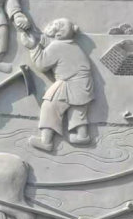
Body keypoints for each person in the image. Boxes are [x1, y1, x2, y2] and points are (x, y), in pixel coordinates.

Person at [20, 18, 94, 152]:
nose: (50, 25)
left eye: (55, 24)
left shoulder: (57, 46)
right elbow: (52, 48)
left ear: (59, 33)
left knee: (50, 106)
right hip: (84, 84)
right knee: (77, 110)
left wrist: (33, 47)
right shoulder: (72, 45)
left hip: (69, 82)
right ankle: (82, 136)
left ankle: (46, 142)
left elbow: (42, 64)